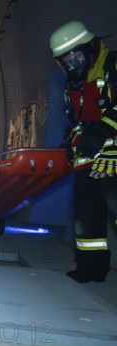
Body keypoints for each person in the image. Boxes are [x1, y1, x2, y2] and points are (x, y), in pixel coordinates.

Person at [50, 21, 117, 283]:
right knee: (87, 221)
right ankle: (90, 270)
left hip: (113, 161)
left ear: (89, 48)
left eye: (76, 56)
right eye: (66, 60)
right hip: (87, 161)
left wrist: (101, 130)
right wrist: (71, 140)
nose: (72, 63)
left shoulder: (112, 65)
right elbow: (79, 121)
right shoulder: (74, 83)